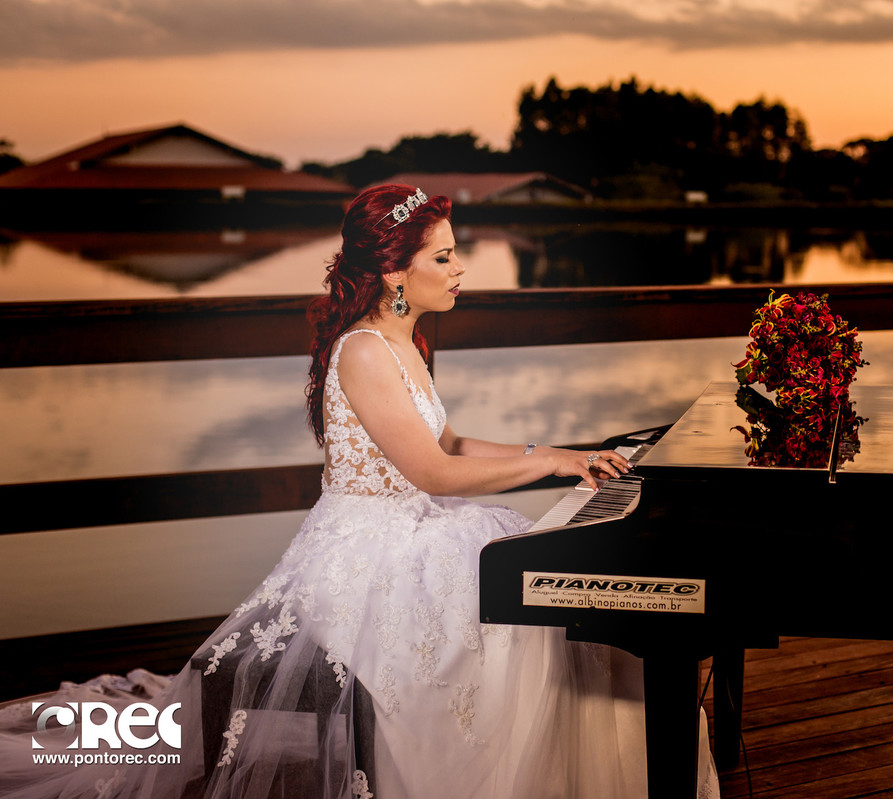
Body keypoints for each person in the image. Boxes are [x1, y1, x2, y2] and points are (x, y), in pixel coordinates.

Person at [0, 184, 720, 798]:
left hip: (419, 524)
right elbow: (434, 474)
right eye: (443, 256)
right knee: (522, 629)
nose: (460, 268)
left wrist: (562, 453)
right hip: (372, 551)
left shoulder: (407, 337)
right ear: (394, 272)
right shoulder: (365, 352)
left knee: (559, 614)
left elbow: (450, 444)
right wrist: (551, 465)